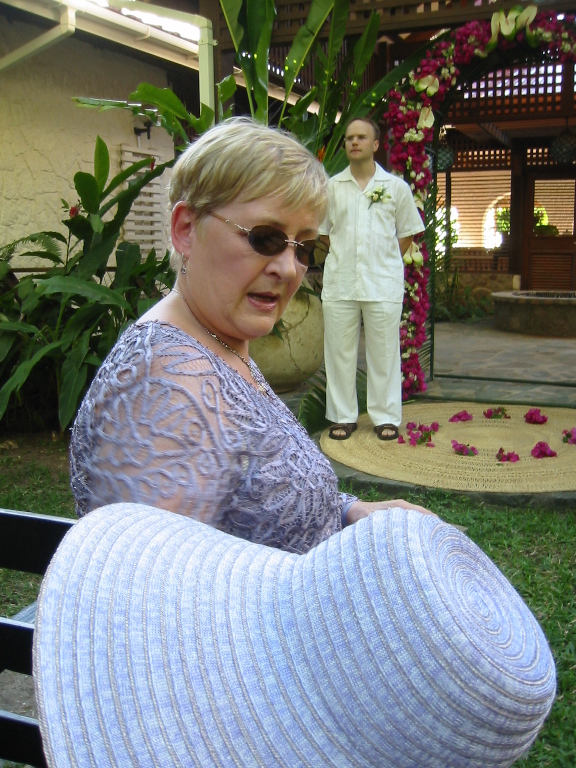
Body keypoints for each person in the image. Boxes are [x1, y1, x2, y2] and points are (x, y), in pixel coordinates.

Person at [69, 118, 432, 555]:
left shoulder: (215, 341)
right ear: (186, 229)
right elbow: (150, 586)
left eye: (303, 247)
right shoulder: (167, 385)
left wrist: (348, 511)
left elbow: (255, 502)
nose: (289, 268)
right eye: (265, 238)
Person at [320, 117, 425, 441]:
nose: (354, 142)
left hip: (382, 282)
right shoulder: (331, 188)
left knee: (384, 353)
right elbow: (323, 233)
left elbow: (407, 232)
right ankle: (342, 416)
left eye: (361, 137)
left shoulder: (395, 188)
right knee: (339, 354)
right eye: (349, 137)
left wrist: (384, 259)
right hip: (340, 282)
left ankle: (386, 417)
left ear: (376, 144)